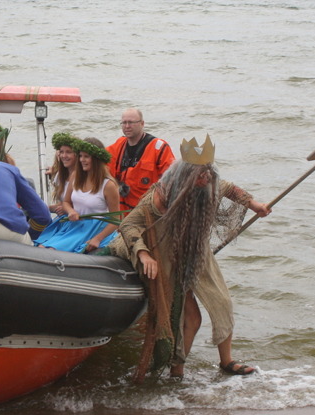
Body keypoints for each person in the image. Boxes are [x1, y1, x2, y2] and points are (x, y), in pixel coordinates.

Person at [107, 135, 271, 380]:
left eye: (208, 172)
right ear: (184, 175)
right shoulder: (159, 196)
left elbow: (229, 188)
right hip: (161, 253)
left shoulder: (210, 184)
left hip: (194, 251)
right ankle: (177, 371)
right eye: (199, 174)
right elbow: (129, 225)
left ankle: (226, 361)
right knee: (188, 316)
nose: (205, 178)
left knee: (222, 301)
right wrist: (143, 254)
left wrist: (253, 203)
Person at [34, 137, 120, 253]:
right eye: (80, 156)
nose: (82, 160)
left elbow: (115, 220)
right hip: (74, 225)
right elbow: (66, 202)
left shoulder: (109, 185)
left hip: (94, 228)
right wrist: (71, 211)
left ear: (96, 159)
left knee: (52, 250)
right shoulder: (75, 176)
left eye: (86, 157)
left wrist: (97, 238)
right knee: (41, 247)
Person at [106, 108, 175, 212]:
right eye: (124, 123)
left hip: (146, 212)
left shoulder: (159, 148)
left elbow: (172, 180)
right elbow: (101, 167)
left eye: (131, 122)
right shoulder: (118, 145)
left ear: (142, 123)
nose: (127, 126)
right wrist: (117, 184)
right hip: (121, 211)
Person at [46, 132, 79, 215]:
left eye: (68, 152)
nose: (64, 156)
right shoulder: (59, 175)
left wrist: (46, 208)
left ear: (77, 155)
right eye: (61, 152)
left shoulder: (81, 177)